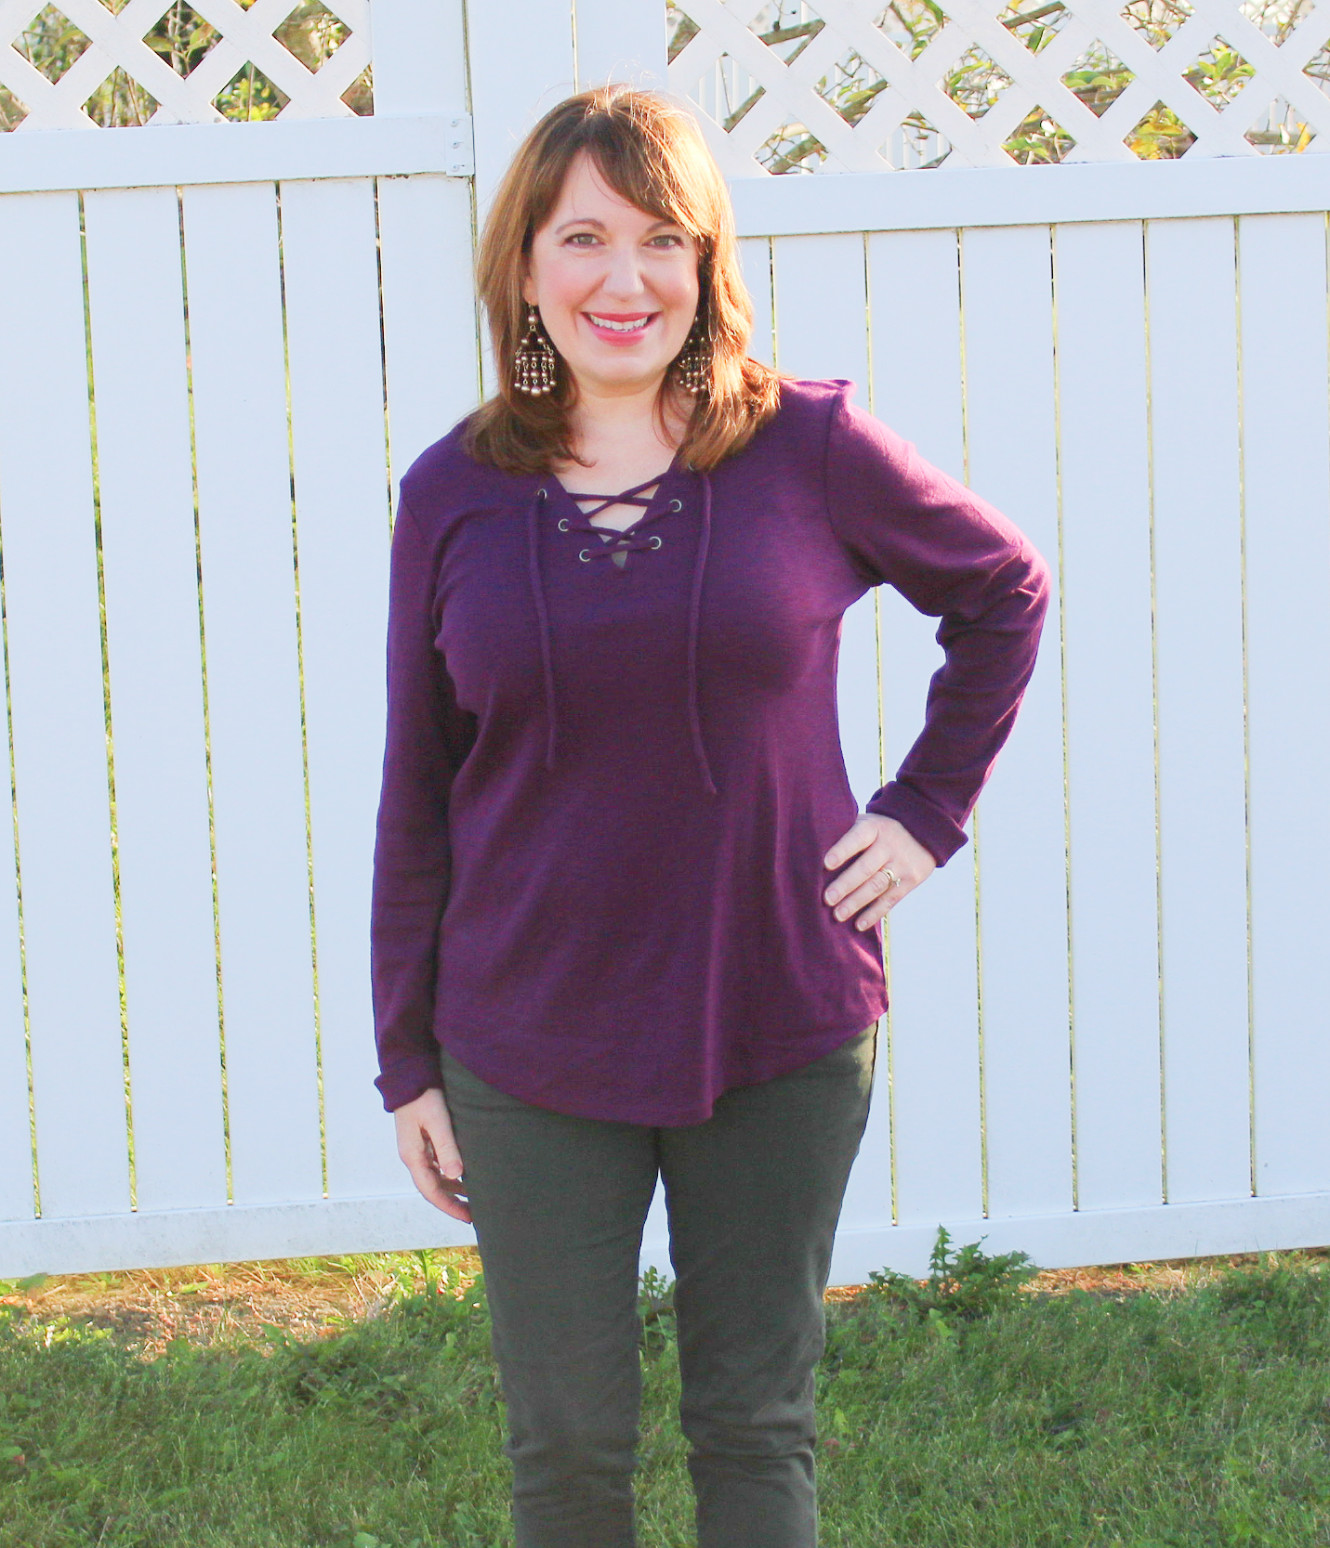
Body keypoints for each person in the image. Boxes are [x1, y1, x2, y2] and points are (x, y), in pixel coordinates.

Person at [371, 85, 1050, 1548]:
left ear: (706, 260)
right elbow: (415, 785)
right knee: (564, 1449)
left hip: (777, 1016)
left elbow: (1003, 591)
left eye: (661, 240)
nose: (625, 280)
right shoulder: (451, 495)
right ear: (526, 267)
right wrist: (404, 1055)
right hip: (527, 1038)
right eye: (585, 238)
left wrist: (925, 811)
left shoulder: (806, 449)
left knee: (754, 1426)